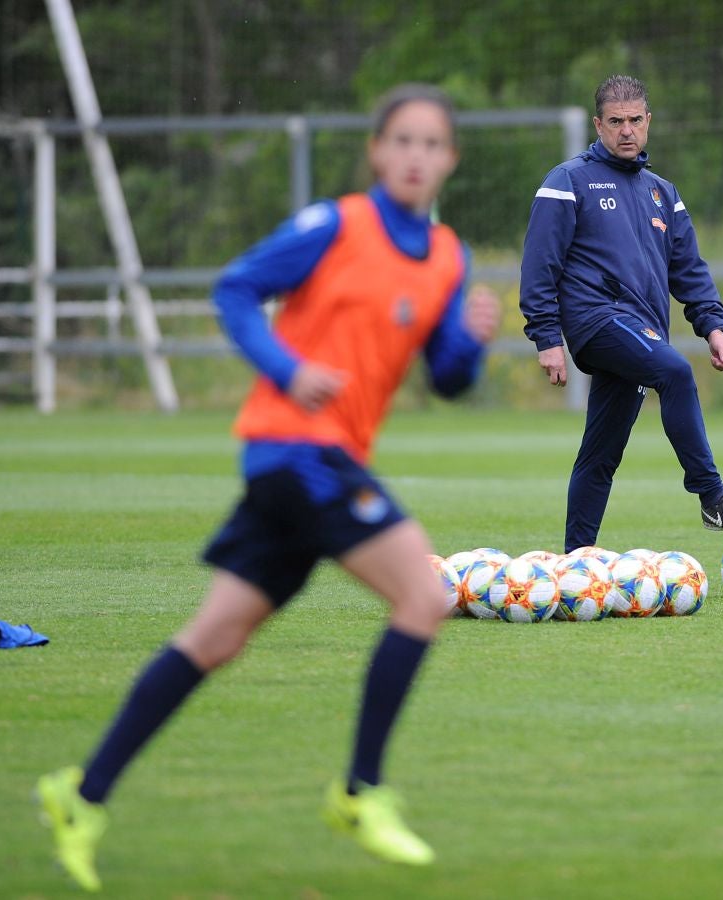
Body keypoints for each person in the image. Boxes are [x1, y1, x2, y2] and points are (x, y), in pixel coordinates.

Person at [36, 83, 501, 892]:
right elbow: (234, 289)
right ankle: (360, 793)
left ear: (450, 159)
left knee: (214, 639)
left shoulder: (449, 258)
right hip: (295, 454)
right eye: (403, 140)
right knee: (423, 597)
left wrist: (469, 340)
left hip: (309, 466)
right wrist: (289, 369)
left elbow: (449, 378)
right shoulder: (335, 225)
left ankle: (82, 794)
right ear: (377, 150)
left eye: (433, 144)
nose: (416, 156)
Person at [519, 74, 723, 553]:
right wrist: (546, 337)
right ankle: (713, 498)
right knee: (673, 371)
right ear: (598, 125)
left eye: (635, 120)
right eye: (615, 122)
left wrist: (713, 326)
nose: (626, 130)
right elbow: (539, 263)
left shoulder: (662, 192)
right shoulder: (568, 181)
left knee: (600, 456)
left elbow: (688, 268)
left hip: (641, 330)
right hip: (597, 321)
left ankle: (577, 562)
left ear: (648, 122)